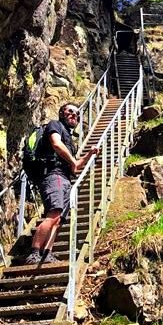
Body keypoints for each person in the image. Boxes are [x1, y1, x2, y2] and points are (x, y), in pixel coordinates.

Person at [27, 103, 98, 265]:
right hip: (54, 175)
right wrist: (72, 161)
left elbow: (75, 166)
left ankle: (47, 253)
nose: (74, 115)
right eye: (70, 111)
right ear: (61, 113)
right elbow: (56, 144)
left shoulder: (70, 140)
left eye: (77, 113)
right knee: (54, 213)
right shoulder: (55, 125)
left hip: (65, 178)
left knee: (59, 220)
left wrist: (89, 154)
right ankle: (34, 252)